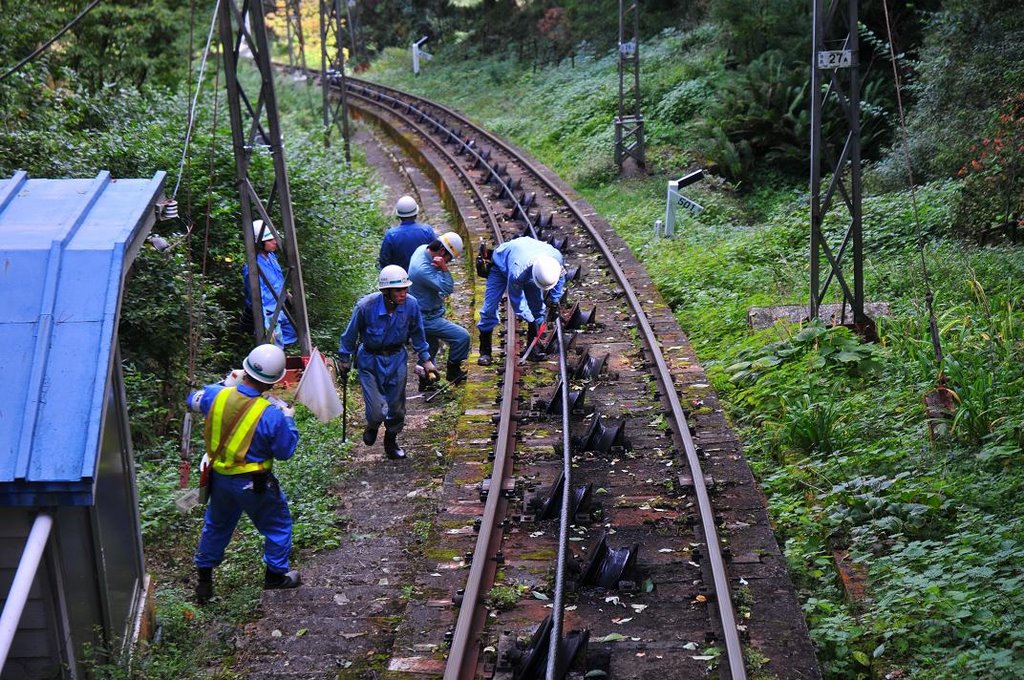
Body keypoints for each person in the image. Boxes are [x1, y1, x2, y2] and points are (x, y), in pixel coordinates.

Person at [187, 344, 301, 604]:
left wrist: (225, 382)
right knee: (277, 526)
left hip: (219, 479)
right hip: (254, 484)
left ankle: (204, 581)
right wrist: (289, 420)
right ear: (274, 381)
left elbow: (192, 399)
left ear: (245, 368)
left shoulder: (216, 395)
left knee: (216, 526)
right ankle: (275, 576)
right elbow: (285, 451)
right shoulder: (271, 414)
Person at [338, 265, 438, 459]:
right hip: (370, 360)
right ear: (386, 291)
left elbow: (418, 333)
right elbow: (349, 335)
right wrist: (344, 359)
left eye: (405, 289)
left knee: (397, 407)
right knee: (376, 410)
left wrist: (426, 360)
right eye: (398, 290)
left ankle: (391, 440)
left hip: (396, 358)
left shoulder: (411, 305)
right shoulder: (365, 306)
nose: (403, 293)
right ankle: (373, 425)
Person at [477, 236, 565, 366]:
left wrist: (555, 301)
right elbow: (516, 300)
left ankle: (533, 348)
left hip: (529, 263)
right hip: (501, 266)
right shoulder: (518, 272)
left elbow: (560, 278)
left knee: (538, 309)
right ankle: (485, 351)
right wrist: (528, 318)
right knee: (489, 308)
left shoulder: (556, 259)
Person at [407, 231, 471, 389]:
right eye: (449, 259)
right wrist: (444, 269)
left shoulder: (422, 249)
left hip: (423, 311)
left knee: (430, 348)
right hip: (426, 318)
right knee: (462, 337)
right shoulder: (423, 270)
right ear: (442, 252)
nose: (448, 263)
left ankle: (426, 382)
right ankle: (453, 371)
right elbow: (448, 288)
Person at [243, 220, 297, 348]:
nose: (274, 242)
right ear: (260, 243)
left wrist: (288, 295)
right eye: (270, 240)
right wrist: (265, 325)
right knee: (274, 347)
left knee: (291, 334)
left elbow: (277, 280)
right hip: (268, 313)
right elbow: (254, 298)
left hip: (281, 308)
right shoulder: (252, 267)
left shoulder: (272, 257)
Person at [378, 195, 436, 271]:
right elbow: (436, 254)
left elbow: (384, 261)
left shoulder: (391, 235)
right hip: (425, 277)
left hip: (400, 278)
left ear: (398, 215)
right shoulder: (427, 230)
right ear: (416, 214)